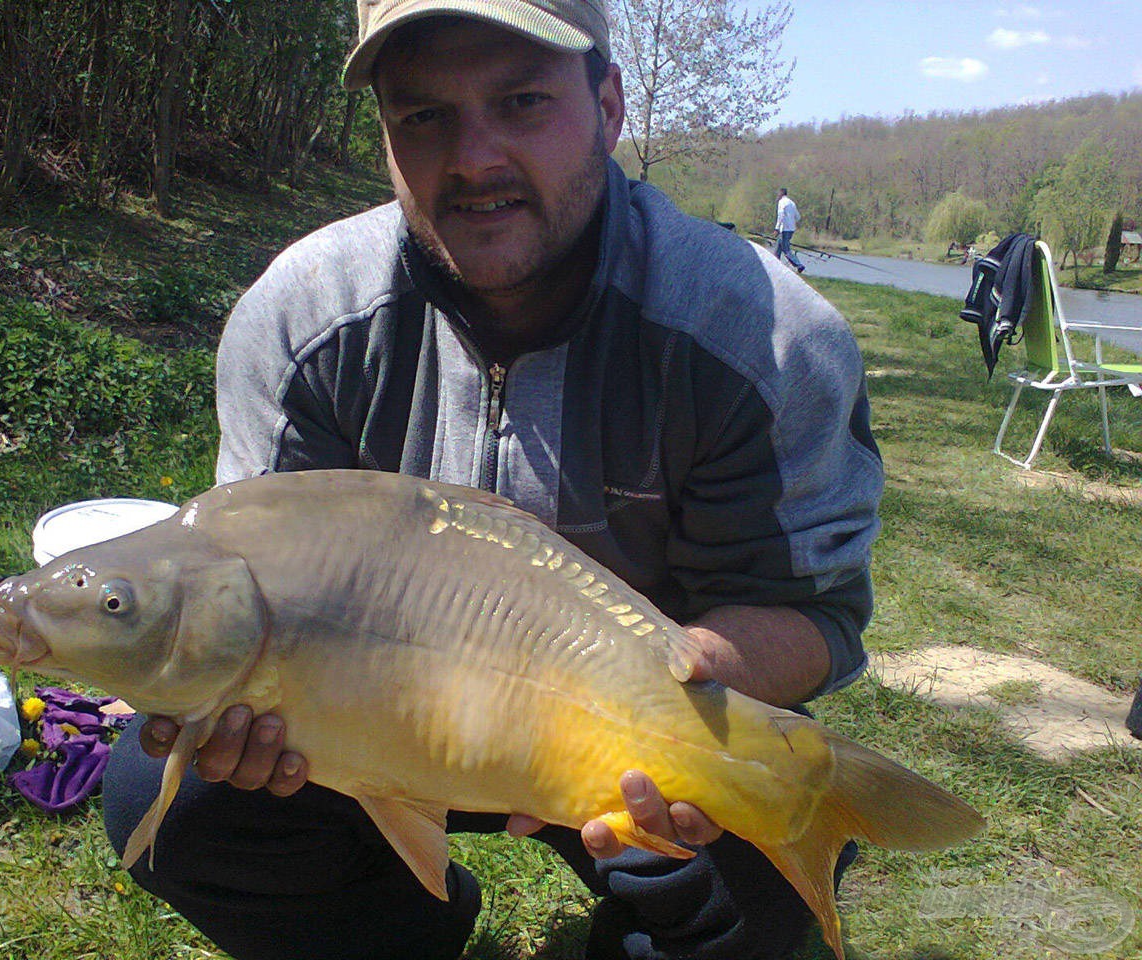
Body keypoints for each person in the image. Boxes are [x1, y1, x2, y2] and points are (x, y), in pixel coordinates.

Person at [101, 2, 883, 959]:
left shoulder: (763, 338)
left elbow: (810, 611)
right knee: (170, 798)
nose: (472, 159)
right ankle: (400, 933)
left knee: (748, 879)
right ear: (385, 134)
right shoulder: (299, 318)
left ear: (608, 104)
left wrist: (653, 697)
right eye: (423, 116)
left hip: (615, 738)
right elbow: (241, 576)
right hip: (359, 731)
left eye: (521, 103)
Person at [774, 187, 806, 274]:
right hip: (791, 229)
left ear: (781, 194)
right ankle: (775, 266)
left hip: (784, 229)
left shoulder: (782, 202)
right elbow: (798, 217)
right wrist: (791, 221)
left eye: (778, 194)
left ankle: (799, 265)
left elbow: (780, 215)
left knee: (785, 249)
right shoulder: (792, 203)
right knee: (778, 248)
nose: (777, 195)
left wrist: (777, 228)